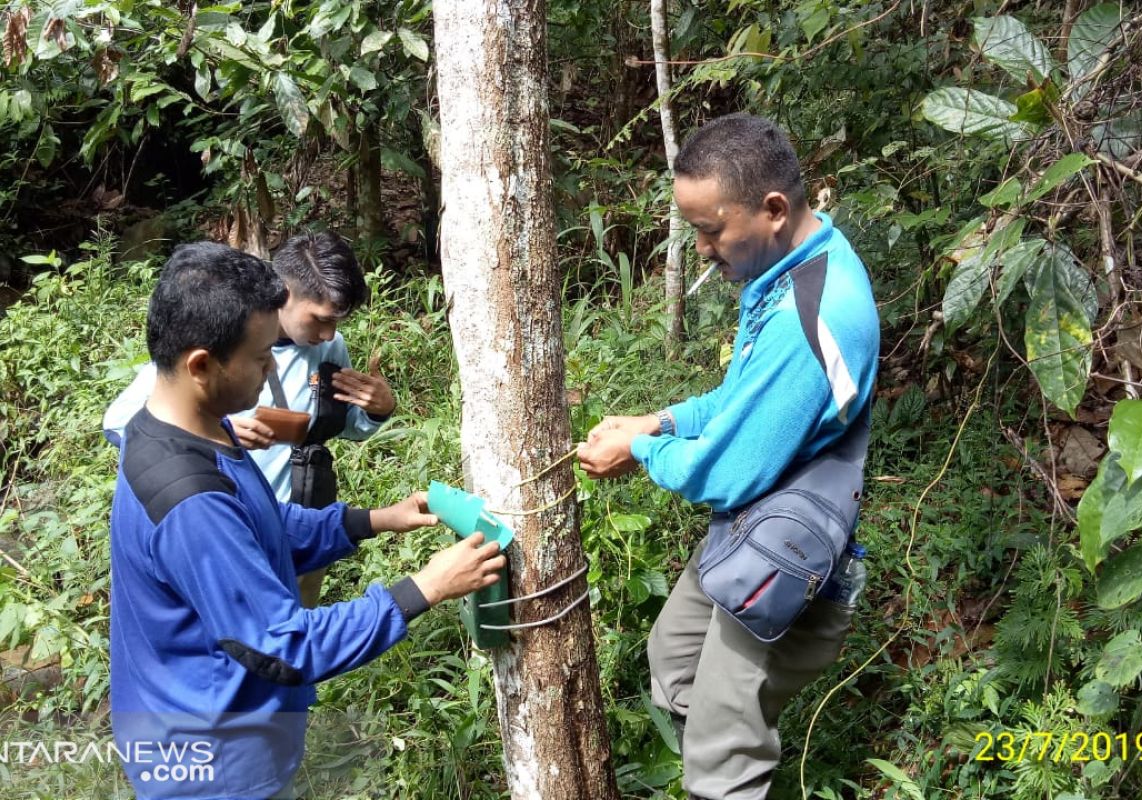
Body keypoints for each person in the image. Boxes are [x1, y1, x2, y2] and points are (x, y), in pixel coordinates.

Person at [108, 242, 505, 800]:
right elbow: (282, 647)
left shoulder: (193, 430)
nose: (274, 368)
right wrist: (426, 588)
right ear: (202, 364)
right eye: (262, 356)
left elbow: (263, 527)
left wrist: (372, 520)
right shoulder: (190, 500)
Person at [577, 113, 880, 800]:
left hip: (790, 560)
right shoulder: (793, 269)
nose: (706, 248)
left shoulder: (819, 315)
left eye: (713, 230)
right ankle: (722, 750)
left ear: (773, 210)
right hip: (751, 535)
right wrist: (662, 419)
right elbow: (748, 398)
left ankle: (727, 770)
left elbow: (728, 471)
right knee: (674, 662)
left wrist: (643, 450)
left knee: (721, 756)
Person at [104, 231, 392, 607]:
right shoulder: (225, 338)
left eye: (337, 321)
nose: (329, 334)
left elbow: (344, 423)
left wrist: (377, 408)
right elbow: (120, 420)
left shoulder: (330, 348)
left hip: (302, 517)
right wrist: (212, 432)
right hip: (232, 519)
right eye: (320, 320)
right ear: (284, 294)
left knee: (299, 619)